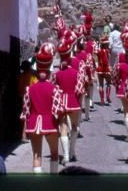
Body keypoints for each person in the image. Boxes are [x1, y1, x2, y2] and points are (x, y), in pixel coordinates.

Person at [20, 43, 61, 174]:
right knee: (54, 153)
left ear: (37, 73)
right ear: (49, 73)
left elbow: (26, 109)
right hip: (50, 123)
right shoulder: (55, 89)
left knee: (36, 155)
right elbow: (58, 110)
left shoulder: (29, 89)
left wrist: (26, 128)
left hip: (34, 123)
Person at [54, 35, 85, 166]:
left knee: (63, 128)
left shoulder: (56, 73)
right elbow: (80, 89)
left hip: (61, 101)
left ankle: (66, 156)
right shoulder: (76, 73)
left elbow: (54, 90)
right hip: (73, 101)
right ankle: (72, 152)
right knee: (75, 127)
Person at [17, 60, 38, 142]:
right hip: (29, 98)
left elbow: (18, 87)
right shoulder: (32, 77)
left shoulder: (21, 76)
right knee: (28, 116)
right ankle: (25, 135)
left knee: (24, 115)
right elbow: (35, 86)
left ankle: (24, 134)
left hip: (21, 97)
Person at [96, 34, 112, 105]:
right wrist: (108, 67)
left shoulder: (99, 51)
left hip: (99, 68)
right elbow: (106, 61)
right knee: (108, 83)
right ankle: (107, 96)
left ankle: (102, 99)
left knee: (101, 84)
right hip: (105, 69)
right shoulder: (106, 51)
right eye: (107, 44)